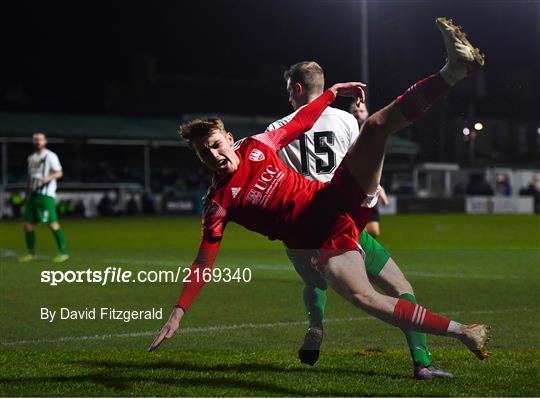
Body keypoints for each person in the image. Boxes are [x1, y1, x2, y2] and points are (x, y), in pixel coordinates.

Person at [149, 18, 491, 365]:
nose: (214, 155)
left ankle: (453, 70)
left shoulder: (258, 143)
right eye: (204, 153)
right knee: (364, 297)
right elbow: (203, 261)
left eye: (216, 145)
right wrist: (179, 310)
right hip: (321, 240)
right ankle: (464, 332)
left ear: (228, 137)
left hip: (334, 198)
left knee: (374, 125)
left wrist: (331, 93)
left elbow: (301, 122)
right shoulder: (218, 203)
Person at [266, 61, 451, 379]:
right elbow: (361, 159)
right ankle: (422, 361)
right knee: (400, 287)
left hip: (301, 229)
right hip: (342, 221)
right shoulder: (345, 119)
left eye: (288, 92)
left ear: (297, 89)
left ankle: (316, 324)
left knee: (314, 282)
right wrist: (376, 186)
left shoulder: (276, 130)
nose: (287, 98)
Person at [19, 132, 69, 263]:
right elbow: (30, 178)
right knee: (27, 224)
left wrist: (49, 177)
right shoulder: (31, 158)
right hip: (33, 195)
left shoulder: (50, 156)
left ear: (45, 141)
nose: (38, 142)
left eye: (40, 139)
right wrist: (27, 194)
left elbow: (59, 172)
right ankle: (31, 253)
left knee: (52, 223)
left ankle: (63, 252)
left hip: (46, 195)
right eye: (35, 139)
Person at [349, 101, 389, 238]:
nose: (358, 114)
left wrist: (379, 186)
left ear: (366, 114)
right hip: (349, 186)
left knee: (374, 230)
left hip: (369, 185)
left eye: (361, 111)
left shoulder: (372, 134)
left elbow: (376, 163)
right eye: (355, 112)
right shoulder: (346, 133)